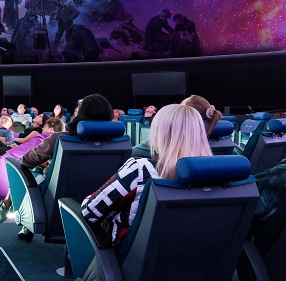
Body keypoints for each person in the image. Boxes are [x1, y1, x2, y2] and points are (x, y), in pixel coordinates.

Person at [81, 104, 212, 248]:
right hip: (197, 256)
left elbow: (90, 212)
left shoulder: (140, 169)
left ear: (160, 134)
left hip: (133, 257)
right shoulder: (219, 176)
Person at [0, 94, 116, 230]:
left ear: (80, 115)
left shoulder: (60, 139)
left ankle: (7, 206)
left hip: (57, 196)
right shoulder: (120, 144)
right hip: (99, 201)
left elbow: (27, 160)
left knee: (20, 166)